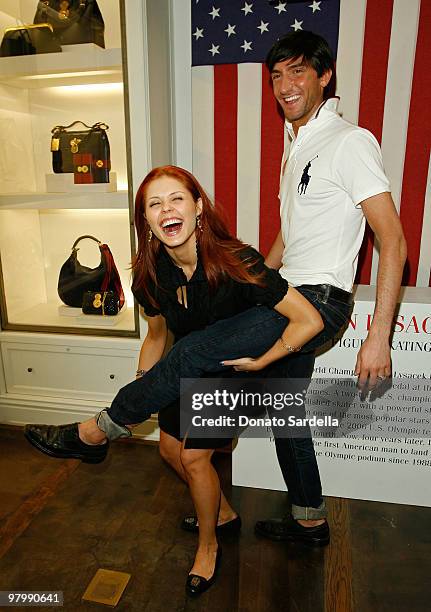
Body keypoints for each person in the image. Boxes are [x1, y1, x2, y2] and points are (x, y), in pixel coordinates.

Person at [25, 30, 406, 554]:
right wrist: (254, 281)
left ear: (325, 76)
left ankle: (98, 431)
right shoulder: (297, 147)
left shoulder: (349, 141)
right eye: (276, 75)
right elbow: (289, 235)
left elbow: (393, 239)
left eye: (299, 71)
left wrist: (379, 335)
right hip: (292, 289)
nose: (286, 85)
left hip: (321, 300)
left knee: (195, 349)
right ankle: (309, 520)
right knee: (287, 416)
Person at [26, 164, 324, 595]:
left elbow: (307, 320)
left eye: (177, 198)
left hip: (247, 371)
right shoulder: (150, 274)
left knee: (194, 458)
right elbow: (158, 334)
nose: (167, 209)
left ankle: (208, 548)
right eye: (154, 203)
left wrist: (264, 361)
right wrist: (149, 382)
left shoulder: (237, 261)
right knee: (169, 449)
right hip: (189, 367)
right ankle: (221, 515)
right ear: (145, 221)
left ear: (199, 207)